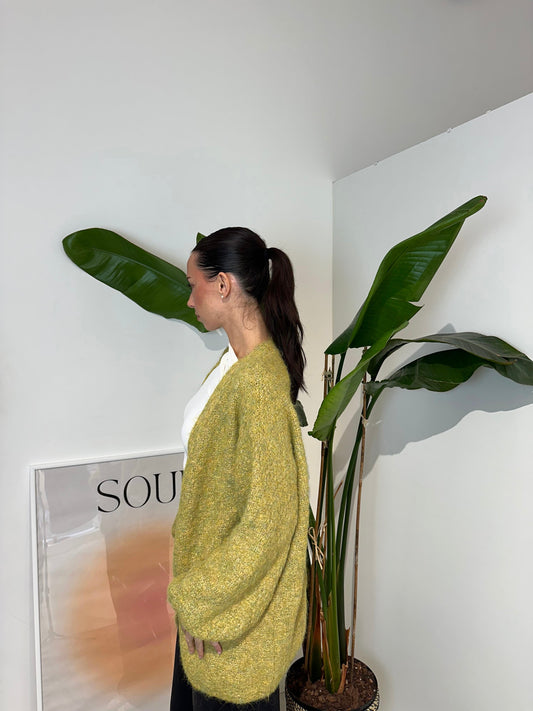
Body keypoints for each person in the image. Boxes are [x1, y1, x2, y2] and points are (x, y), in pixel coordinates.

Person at [167, 227, 309, 711]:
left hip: (229, 623)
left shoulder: (258, 386)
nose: (190, 300)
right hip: (209, 606)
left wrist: (198, 599)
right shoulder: (233, 363)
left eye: (194, 285)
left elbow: (270, 522)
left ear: (223, 285)